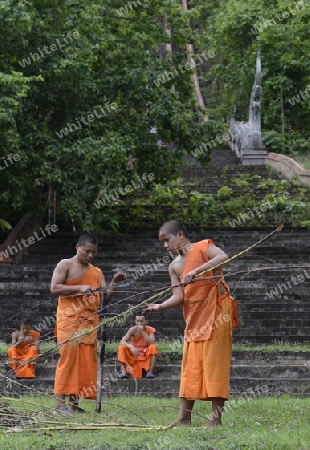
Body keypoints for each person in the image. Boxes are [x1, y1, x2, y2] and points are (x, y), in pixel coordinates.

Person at [143, 220, 238, 427]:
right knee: (191, 367)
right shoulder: (174, 266)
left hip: (216, 314)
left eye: (167, 240)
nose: (165, 246)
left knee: (215, 365)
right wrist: (159, 306)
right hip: (195, 319)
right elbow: (179, 296)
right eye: (162, 242)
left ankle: (216, 419)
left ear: (179, 235)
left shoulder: (203, 247)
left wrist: (196, 271)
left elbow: (223, 257)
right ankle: (184, 418)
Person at [50, 233, 126, 413]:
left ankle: (74, 406)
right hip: (69, 320)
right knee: (67, 361)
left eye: (93, 253)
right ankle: (60, 406)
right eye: (87, 251)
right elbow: (54, 288)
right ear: (77, 247)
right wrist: (78, 287)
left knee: (83, 363)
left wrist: (114, 283)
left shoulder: (97, 272)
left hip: (89, 323)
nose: (90, 256)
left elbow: (104, 299)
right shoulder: (65, 264)